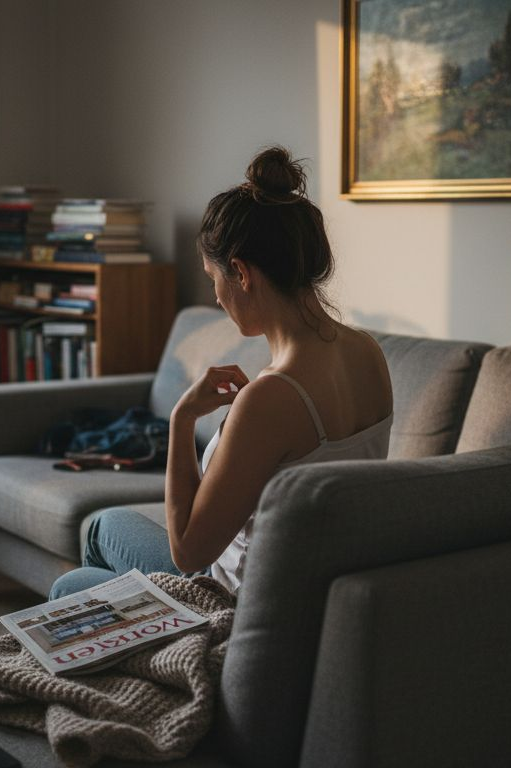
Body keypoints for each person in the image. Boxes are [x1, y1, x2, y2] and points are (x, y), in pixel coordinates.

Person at [48, 146, 393, 598]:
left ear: (242, 274)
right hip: (307, 591)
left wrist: (181, 419)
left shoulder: (271, 398)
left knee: (75, 581)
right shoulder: (370, 353)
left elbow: (188, 553)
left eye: (213, 278)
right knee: (105, 526)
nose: (216, 297)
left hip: (236, 603)